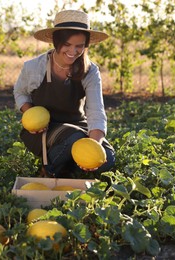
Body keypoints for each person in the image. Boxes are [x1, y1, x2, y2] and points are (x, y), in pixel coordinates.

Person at [13, 9, 115, 178]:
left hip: (77, 125)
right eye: (67, 45)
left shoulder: (90, 71)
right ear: (55, 41)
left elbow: (96, 112)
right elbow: (20, 92)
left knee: (107, 159)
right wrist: (30, 113)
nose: (73, 51)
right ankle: (49, 170)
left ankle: (69, 170)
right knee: (72, 139)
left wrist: (93, 146)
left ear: (86, 45)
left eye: (79, 46)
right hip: (45, 129)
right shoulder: (34, 67)